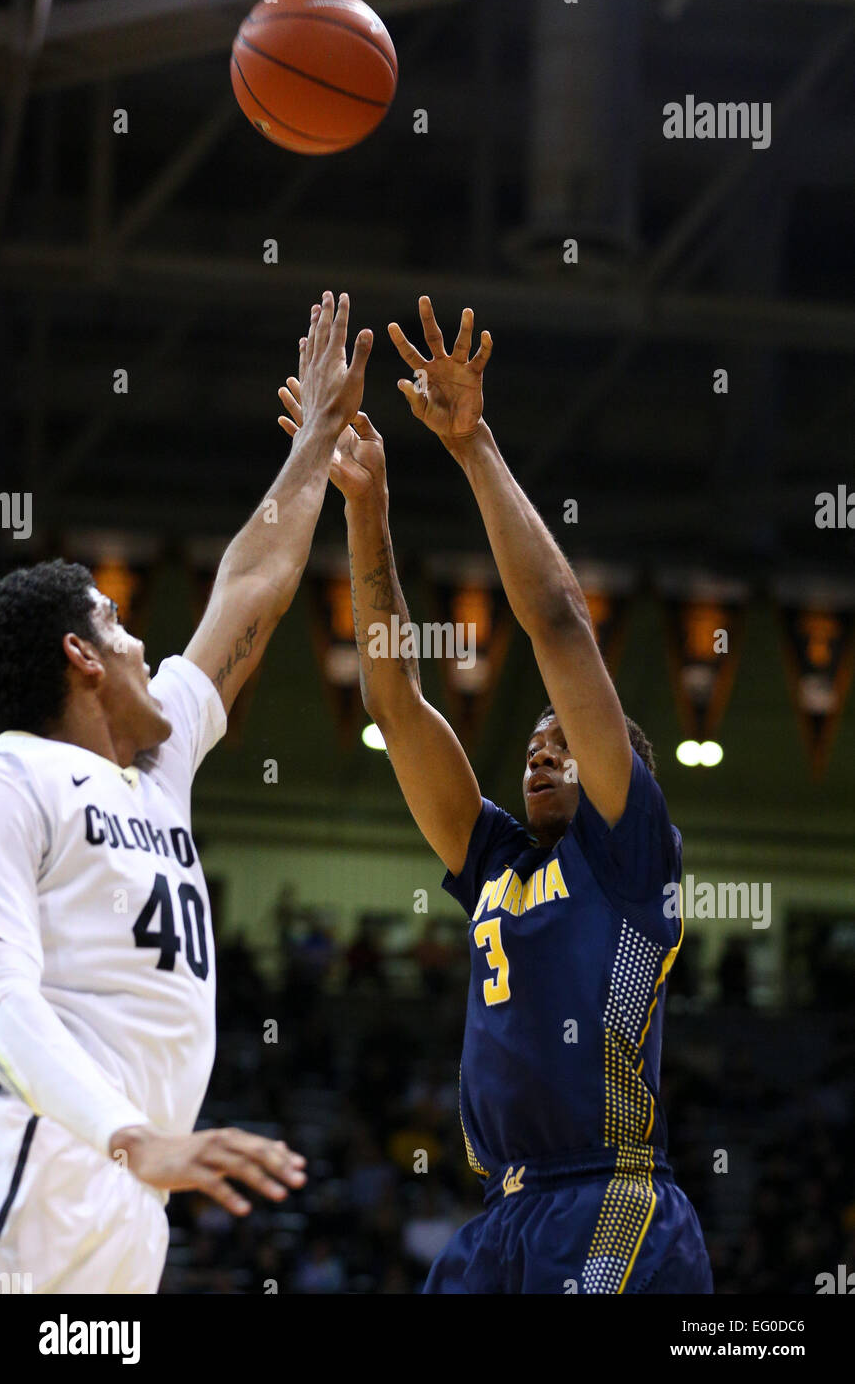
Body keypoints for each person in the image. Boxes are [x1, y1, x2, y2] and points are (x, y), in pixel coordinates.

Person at [279, 295, 712, 1294]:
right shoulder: (494, 863)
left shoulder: (625, 849)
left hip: (609, 1205)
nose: (542, 753)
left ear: (623, 775)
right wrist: (365, 505)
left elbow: (558, 623)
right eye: (532, 742)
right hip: (499, 1216)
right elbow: (391, 689)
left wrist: (469, 446)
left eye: (566, 740)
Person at [0, 292, 371, 1293]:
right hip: (41, 1158)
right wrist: (126, 1136)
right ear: (77, 656)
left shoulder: (156, 767)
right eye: (117, 626)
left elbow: (249, 589)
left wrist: (317, 439)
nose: (141, 642)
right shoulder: (12, 775)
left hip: (133, 1183)